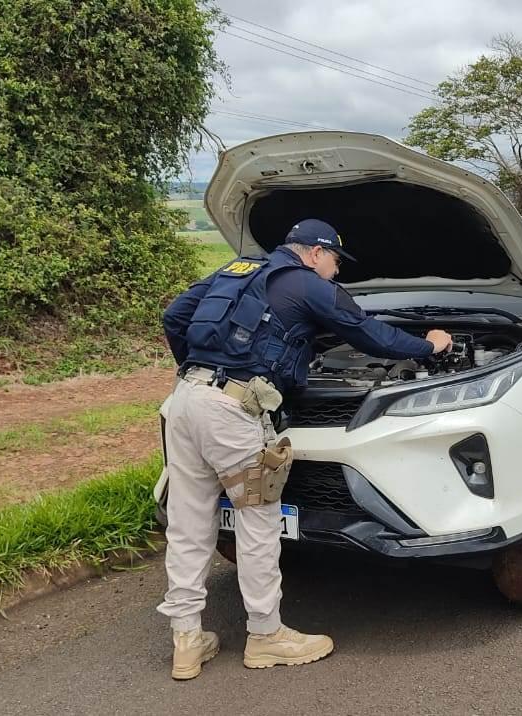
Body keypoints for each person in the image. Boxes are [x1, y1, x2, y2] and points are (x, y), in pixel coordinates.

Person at [157, 218, 452, 678]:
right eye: (336, 260)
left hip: (185, 401)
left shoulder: (236, 270)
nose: (337, 270)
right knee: (258, 521)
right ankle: (266, 635)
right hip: (232, 414)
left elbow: (175, 317)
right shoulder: (309, 284)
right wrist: (428, 345)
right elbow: (369, 333)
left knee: (189, 523)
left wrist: (207, 371)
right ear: (316, 253)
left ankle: (187, 640)